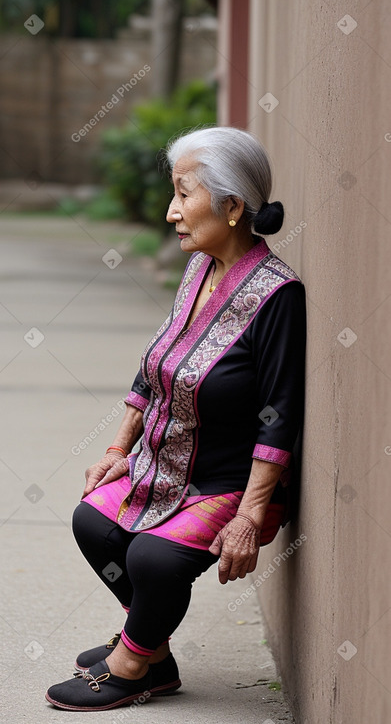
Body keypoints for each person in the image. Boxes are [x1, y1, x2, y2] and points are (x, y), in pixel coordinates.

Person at [45, 126, 306, 711]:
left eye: (184, 195)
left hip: (225, 482)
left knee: (152, 557)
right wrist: (117, 452)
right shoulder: (199, 269)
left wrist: (251, 513)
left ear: (233, 206)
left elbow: (280, 413)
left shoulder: (278, 295)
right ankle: (153, 646)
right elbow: (153, 368)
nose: (171, 213)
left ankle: (133, 664)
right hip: (163, 463)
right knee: (93, 522)